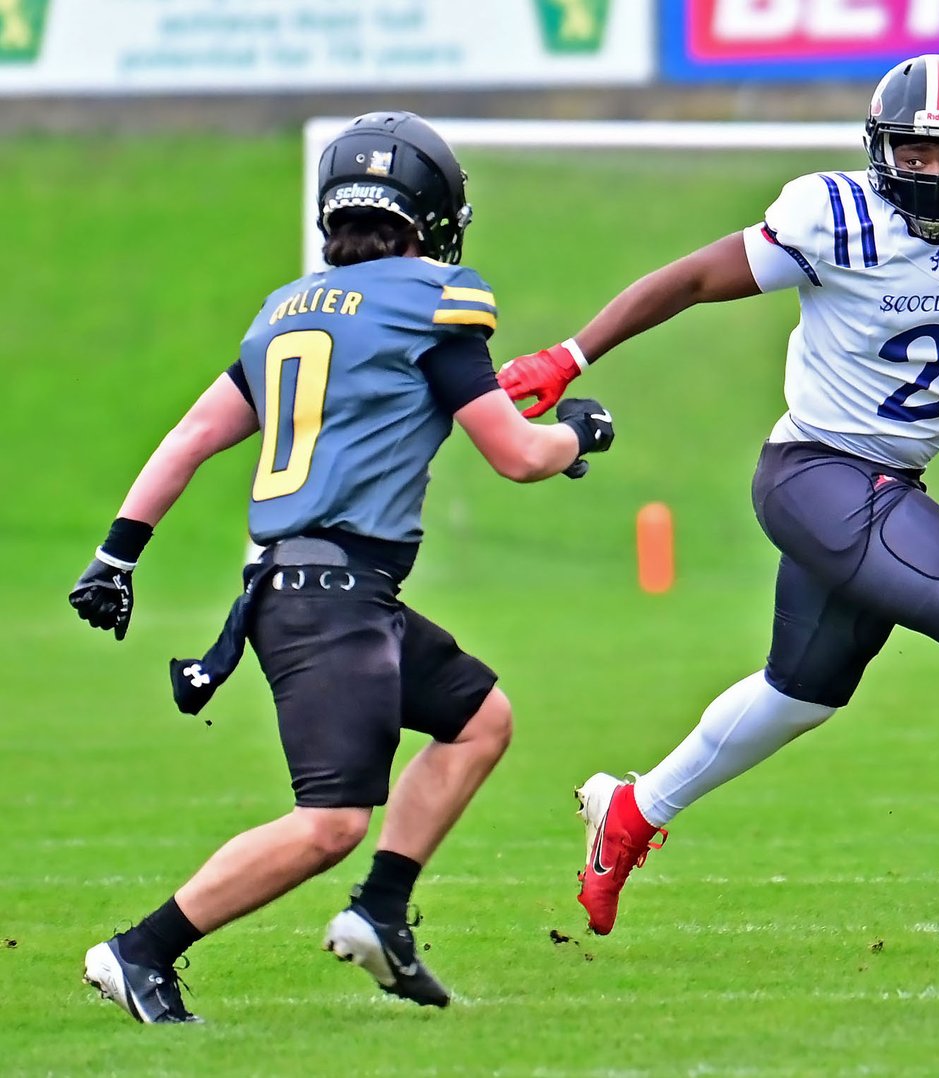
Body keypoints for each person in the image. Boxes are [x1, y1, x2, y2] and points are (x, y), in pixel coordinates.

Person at [498, 54, 939, 939]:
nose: (933, 172)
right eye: (914, 154)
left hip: (888, 480)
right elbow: (694, 278)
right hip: (817, 471)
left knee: (801, 692)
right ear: (880, 150)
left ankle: (631, 811)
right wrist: (572, 355)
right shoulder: (834, 217)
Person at [68, 111, 616, 1023]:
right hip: (333, 599)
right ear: (435, 213)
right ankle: (140, 951)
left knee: (480, 719)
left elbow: (194, 436)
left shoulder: (288, 310)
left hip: (318, 587)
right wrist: (582, 432)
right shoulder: (434, 302)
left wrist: (116, 554)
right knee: (330, 822)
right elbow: (518, 456)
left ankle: (382, 914)